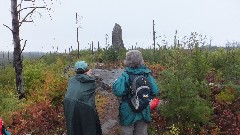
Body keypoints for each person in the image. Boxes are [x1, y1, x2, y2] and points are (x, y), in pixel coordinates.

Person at [112, 50, 159, 135]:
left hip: (128, 111)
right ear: (141, 60)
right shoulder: (147, 75)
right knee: (142, 132)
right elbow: (155, 91)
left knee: (127, 132)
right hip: (144, 110)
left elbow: (118, 92)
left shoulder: (125, 75)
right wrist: (145, 98)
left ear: (127, 61)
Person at [63, 61, 102, 135]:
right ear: (86, 71)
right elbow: (90, 100)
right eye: (88, 69)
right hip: (83, 107)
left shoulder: (71, 80)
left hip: (68, 105)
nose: (90, 70)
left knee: (73, 126)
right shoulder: (91, 82)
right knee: (87, 128)